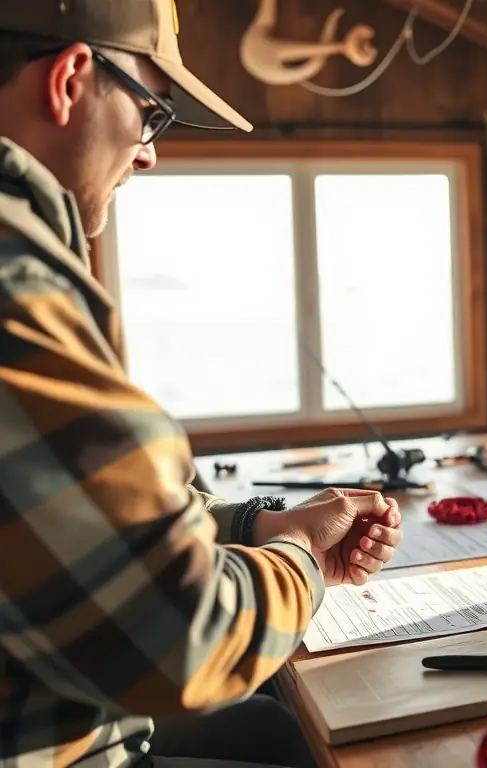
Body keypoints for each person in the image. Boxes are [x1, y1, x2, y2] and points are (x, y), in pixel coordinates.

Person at [0, 5, 402, 768]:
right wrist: (303, 562)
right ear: (69, 78)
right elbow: (184, 641)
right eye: (150, 113)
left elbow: (90, 521)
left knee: (275, 731)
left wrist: (261, 524)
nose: (148, 155)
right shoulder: (17, 284)